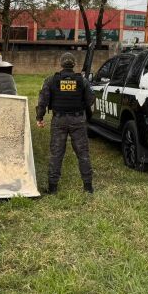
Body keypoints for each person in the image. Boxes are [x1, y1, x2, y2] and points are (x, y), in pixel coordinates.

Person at [36, 52, 95, 194]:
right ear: (74, 64)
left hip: (59, 120)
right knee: (83, 154)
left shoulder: (51, 80)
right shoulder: (82, 81)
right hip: (78, 120)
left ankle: (52, 188)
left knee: (56, 154)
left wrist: (39, 118)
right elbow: (90, 100)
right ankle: (88, 187)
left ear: (61, 63)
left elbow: (43, 101)